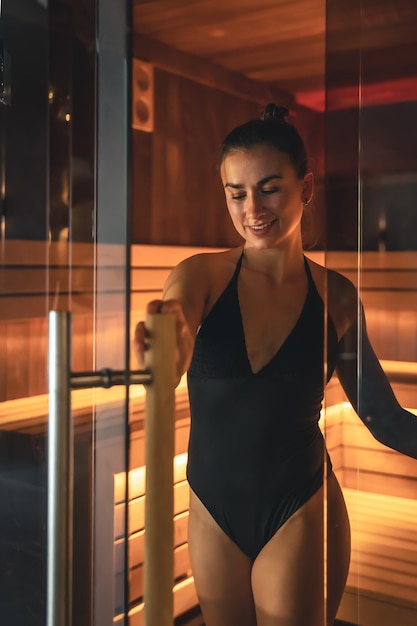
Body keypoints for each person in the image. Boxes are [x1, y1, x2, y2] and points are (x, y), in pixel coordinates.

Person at [134, 103, 417, 626]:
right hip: (212, 509)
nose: (252, 208)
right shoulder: (199, 277)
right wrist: (164, 342)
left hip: (299, 504)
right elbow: (171, 350)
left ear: (306, 188)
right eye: (235, 193)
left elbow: (384, 417)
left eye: (269, 188)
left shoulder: (335, 296)